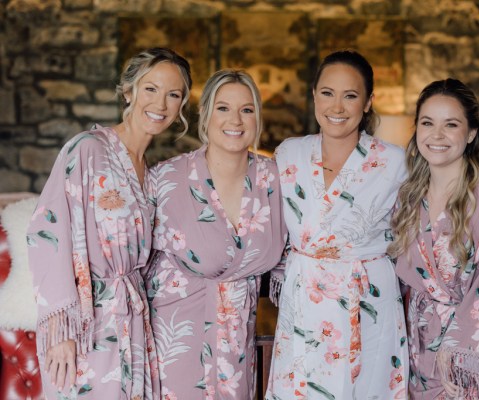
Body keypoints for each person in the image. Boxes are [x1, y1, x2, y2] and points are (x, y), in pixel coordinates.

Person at [27, 48, 192, 399]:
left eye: (173, 94)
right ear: (129, 91)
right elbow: (46, 235)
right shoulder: (87, 150)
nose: (160, 103)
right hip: (84, 325)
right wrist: (62, 331)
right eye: (151, 89)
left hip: (133, 323)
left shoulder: (152, 173)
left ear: (181, 106)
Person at [265, 50, 409, 400]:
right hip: (304, 301)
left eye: (351, 95)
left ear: (368, 102)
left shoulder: (394, 161)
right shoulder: (288, 153)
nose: (337, 107)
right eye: (328, 93)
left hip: (369, 301)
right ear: (314, 95)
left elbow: (413, 233)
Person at [145, 69, 287, 399]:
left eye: (247, 109)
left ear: (258, 118)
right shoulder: (166, 179)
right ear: (205, 114)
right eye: (223, 108)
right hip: (176, 338)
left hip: (238, 341)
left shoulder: (275, 179)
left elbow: (297, 250)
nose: (235, 120)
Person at [388, 78, 479, 399]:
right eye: (427, 122)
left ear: (471, 133)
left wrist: (452, 358)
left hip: (467, 359)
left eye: (451, 124)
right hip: (416, 349)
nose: (437, 135)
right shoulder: (409, 196)